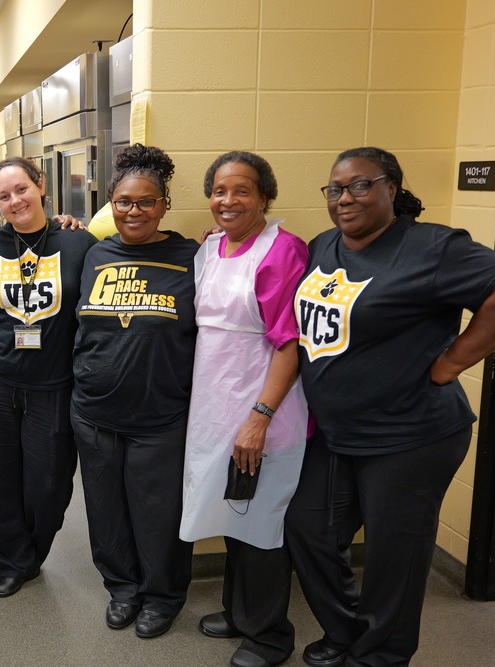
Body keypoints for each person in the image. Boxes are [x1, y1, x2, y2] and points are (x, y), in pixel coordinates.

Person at [286, 147, 495, 667]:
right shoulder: (325, 245)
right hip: (337, 431)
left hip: (411, 436)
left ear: (391, 188)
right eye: (335, 189)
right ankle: (350, 633)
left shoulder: (431, 247)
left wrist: (453, 362)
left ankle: (381, 656)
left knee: (396, 557)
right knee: (308, 529)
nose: (344, 198)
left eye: (359, 185)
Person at [179, 152, 308, 667]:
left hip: (262, 411)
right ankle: (238, 611)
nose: (227, 201)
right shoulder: (210, 249)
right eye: (219, 191)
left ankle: (270, 635)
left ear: (264, 197)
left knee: (261, 524)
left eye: (242, 191)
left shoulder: (282, 251)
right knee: (233, 514)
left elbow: (290, 343)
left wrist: (258, 417)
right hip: (215, 407)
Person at [70, 144, 198, 639]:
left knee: (158, 515)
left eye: (146, 202)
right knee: (105, 512)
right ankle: (122, 589)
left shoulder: (192, 257)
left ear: (164, 204)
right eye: (124, 201)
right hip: (94, 412)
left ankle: (162, 597)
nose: (134, 211)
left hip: (161, 417)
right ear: (110, 204)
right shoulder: (93, 253)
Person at [0, 157, 97, 597]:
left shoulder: (80, 244)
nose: (15, 201)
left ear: (41, 186)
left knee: (49, 484)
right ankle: (11, 562)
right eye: (4, 196)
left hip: (54, 384)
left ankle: (33, 549)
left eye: (21, 189)